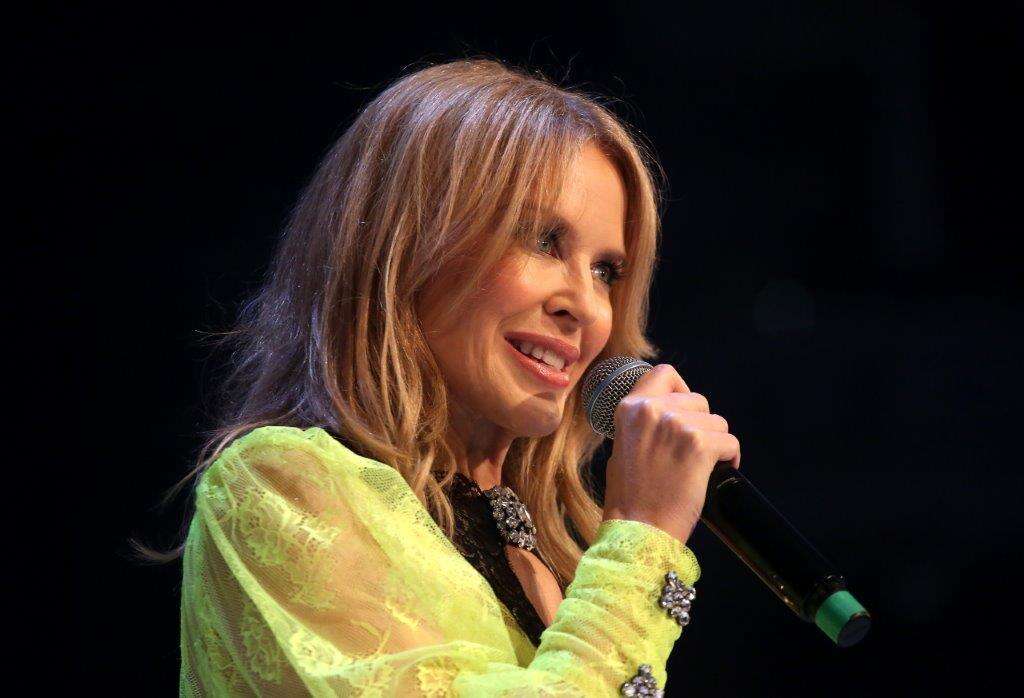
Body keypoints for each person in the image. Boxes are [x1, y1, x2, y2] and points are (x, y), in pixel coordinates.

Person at [148, 57, 741, 696]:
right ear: (406, 246)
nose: (588, 308)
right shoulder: (282, 487)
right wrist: (644, 537)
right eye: (542, 240)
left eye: (606, 271)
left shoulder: (557, 557)